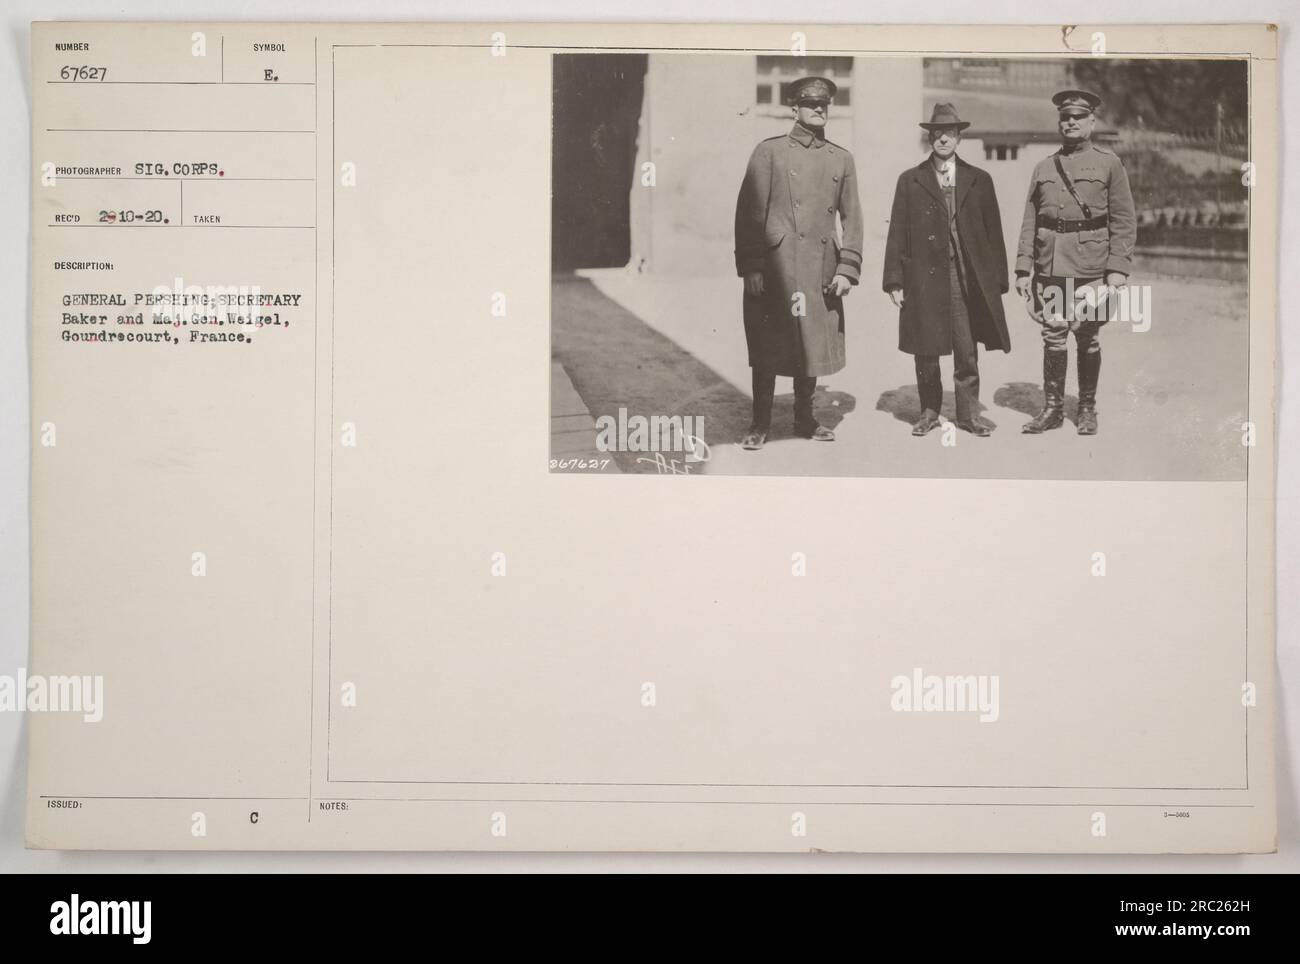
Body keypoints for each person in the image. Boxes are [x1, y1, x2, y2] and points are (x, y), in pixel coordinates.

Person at [733, 76, 863, 451]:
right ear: (795, 108)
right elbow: (749, 214)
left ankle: (805, 418)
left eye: (823, 104)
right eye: (810, 104)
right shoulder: (769, 152)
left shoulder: (841, 158)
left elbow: (853, 218)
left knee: (812, 343)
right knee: (768, 345)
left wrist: (846, 268)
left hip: (820, 267)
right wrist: (753, 266)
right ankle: (760, 423)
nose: (818, 109)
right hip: (777, 268)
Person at [882, 103, 1011, 436]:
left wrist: (997, 280)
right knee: (926, 349)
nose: (943, 139)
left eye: (949, 133)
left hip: (964, 278)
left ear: (959, 137)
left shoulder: (980, 180)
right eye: (937, 133)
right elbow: (897, 232)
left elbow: (993, 233)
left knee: (966, 350)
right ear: (930, 137)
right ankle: (928, 412)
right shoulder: (910, 181)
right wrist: (894, 280)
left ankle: (968, 415)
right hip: (923, 277)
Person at [1015, 89, 1136, 436]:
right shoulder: (1044, 167)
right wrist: (1024, 267)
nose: (1070, 122)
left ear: (1091, 122)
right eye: (1065, 117)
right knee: (1053, 336)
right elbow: (1030, 219)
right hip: (1051, 268)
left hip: (1091, 269)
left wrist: (1117, 268)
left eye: (1078, 117)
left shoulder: (1108, 163)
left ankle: (1086, 408)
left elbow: (1124, 220)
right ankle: (1052, 409)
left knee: (1087, 336)